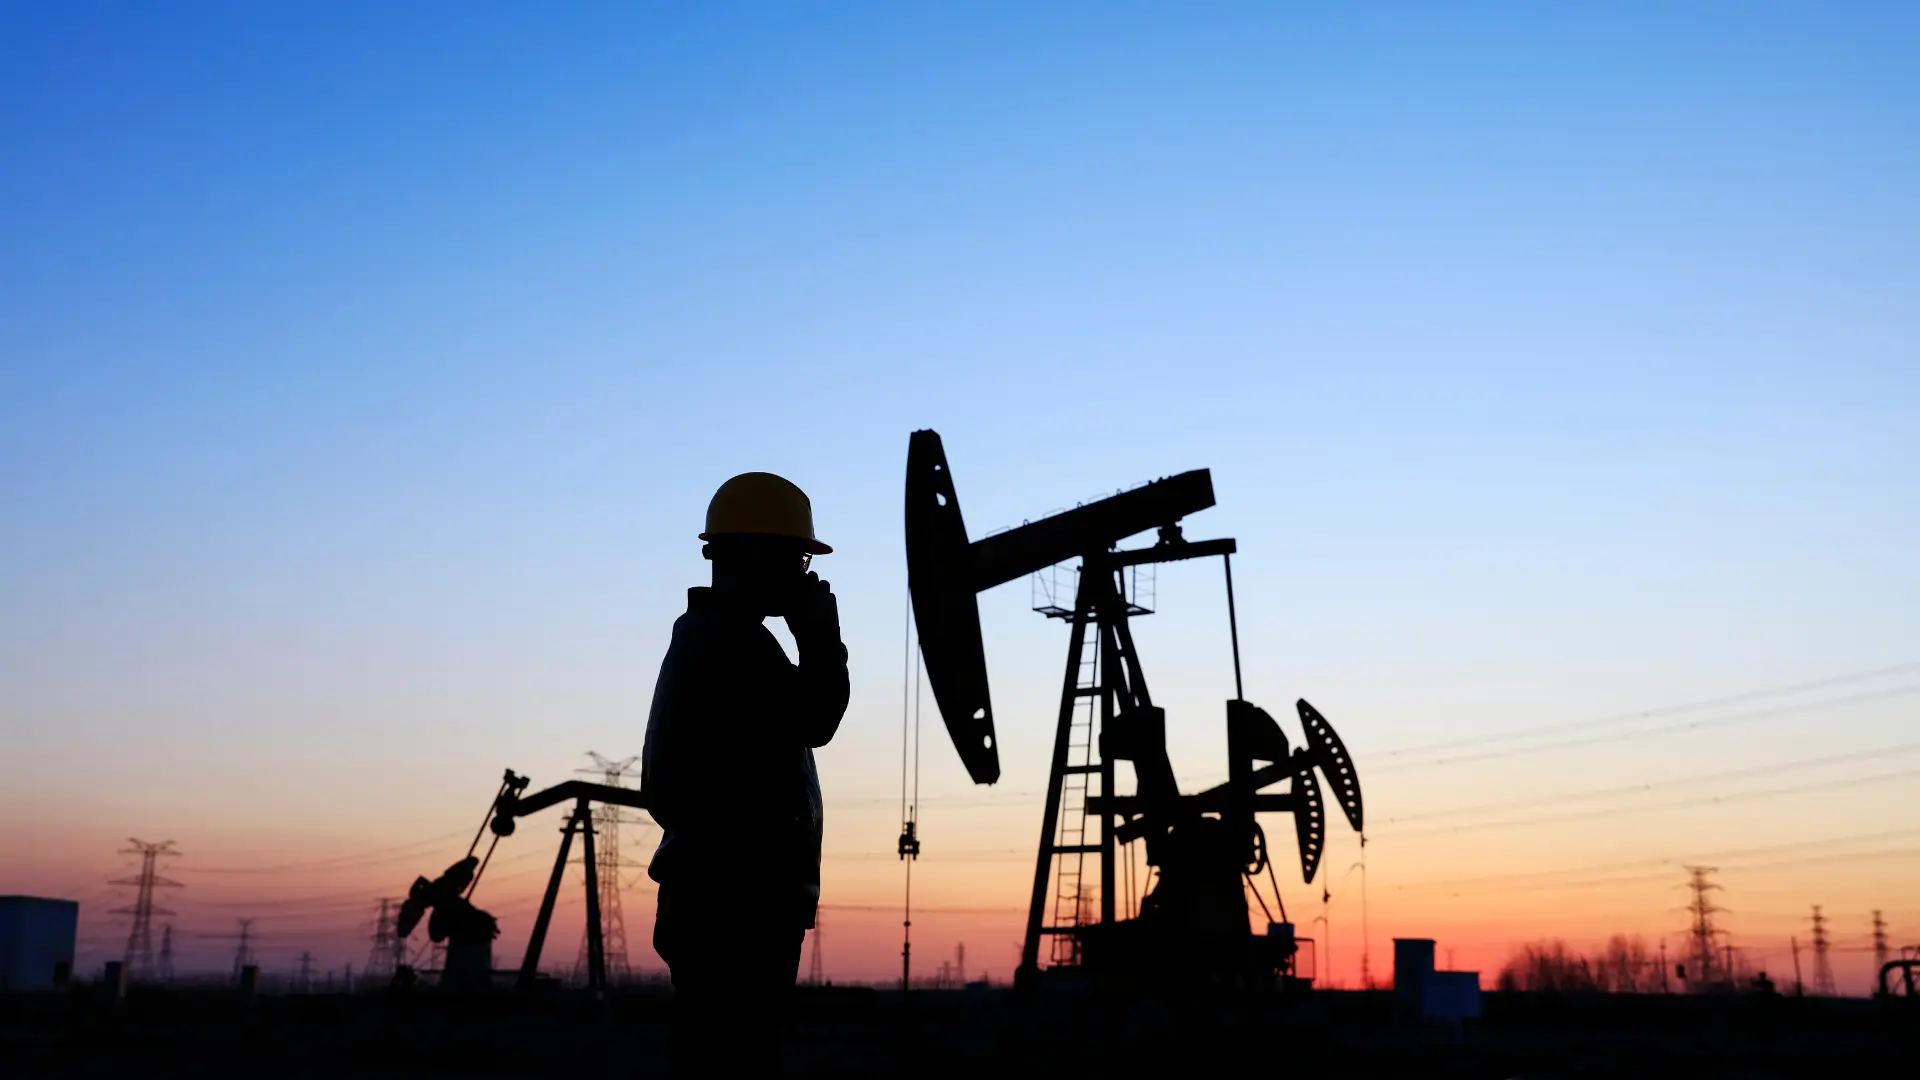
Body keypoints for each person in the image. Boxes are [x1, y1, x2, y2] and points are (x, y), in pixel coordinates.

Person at [642, 472, 848, 1076]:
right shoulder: (731, 646)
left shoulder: (721, 639)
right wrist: (819, 633)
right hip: (734, 909)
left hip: (725, 902)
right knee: (730, 1064)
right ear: (760, 557)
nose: (806, 576)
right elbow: (818, 715)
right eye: (796, 558)